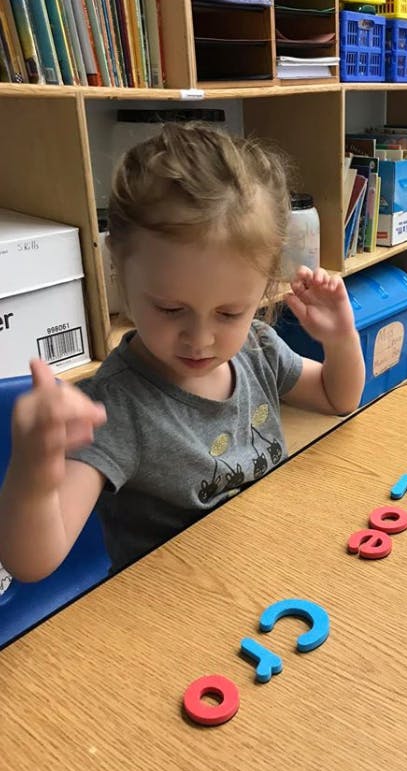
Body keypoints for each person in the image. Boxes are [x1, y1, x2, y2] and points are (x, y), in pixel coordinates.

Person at [0, 123, 365, 580]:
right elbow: (31, 563)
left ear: (265, 285)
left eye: (229, 312)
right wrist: (34, 468)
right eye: (171, 309)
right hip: (179, 606)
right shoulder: (114, 408)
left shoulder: (257, 347)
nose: (201, 339)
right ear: (118, 267)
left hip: (266, 566)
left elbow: (338, 398)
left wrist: (340, 338)